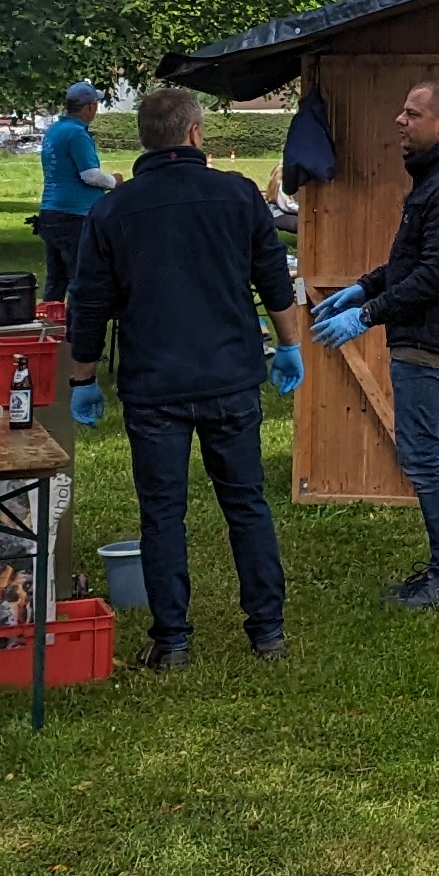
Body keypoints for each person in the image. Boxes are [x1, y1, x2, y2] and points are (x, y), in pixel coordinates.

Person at [65, 86, 309, 667]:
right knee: (246, 503)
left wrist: (82, 378)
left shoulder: (112, 210)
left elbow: (88, 302)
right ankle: (268, 631)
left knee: (162, 512)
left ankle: (171, 640)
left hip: (154, 383)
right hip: (230, 374)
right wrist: (289, 345)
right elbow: (274, 278)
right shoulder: (238, 195)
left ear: (144, 139)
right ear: (196, 133)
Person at [310, 80, 439, 608]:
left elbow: (436, 274)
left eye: (412, 113)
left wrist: (366, 315)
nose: (399, 120)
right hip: (438, 333)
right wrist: (364, 287)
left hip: (433, 337)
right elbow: (411, 261)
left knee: (425, 456)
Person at [34, 81, 118, 306]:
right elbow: (90, 175)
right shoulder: (77, 134)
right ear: (90, 106)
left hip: (50, 211)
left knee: (56, 279)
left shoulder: (54, 131)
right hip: (75, 214)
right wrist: (114, 181)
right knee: (80, 276)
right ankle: (77, 323)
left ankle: (50, 321)